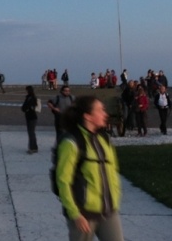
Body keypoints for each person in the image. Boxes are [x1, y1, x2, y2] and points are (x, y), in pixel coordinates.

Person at [56, 96, 124, 241]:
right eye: (100, 110)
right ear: (88, 116)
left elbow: (114, 172)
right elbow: (63, 181)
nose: (105, 114)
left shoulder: (104, 139)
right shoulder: (71, 142)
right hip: (83, 214)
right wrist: (75, 214)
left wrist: (115, 199)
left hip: (108, 212)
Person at [21, 85, 40, 153]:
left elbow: (25, 107)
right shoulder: (32, 97)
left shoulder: (30, 98)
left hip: (31, 116)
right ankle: (34, 147)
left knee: (31, 133)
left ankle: (32, 148)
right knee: (32, 133)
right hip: (31, 116)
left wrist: (25, 108)